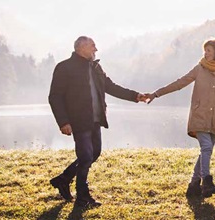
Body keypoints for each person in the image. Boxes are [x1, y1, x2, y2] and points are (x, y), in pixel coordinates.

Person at [48, 36, 147, 208]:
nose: (96, 49)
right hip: (78, 121)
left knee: (93, 154)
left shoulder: (95, 67)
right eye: (93, 46)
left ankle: (63, 179)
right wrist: (63, 122)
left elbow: (110, 86)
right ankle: (83, 198)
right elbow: (55, 97)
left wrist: (135, 96)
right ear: (81, 48)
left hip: (95, 120)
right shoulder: (64, 68)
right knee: (86, 156)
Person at [146, 38, 215, 198]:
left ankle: (193, 186)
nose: (205, 53)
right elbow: (180, 83)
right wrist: (156, 93)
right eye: (205, 50)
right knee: (207, 148)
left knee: (205, 152)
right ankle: (207, 183)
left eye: (208, 50)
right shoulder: (200, 69)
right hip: (199, 116)